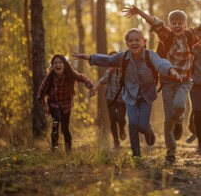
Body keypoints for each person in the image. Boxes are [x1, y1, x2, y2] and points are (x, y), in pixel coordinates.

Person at [122, 5, 201, 165]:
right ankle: (171, 153)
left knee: (178, 106)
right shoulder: (166, 36)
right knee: (167, 120)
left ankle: (179, 120)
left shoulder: (191, 36)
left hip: (184, 82)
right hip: (168, 83)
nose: (177, 26)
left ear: (185, 25)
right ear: (170, 25)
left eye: (180, 23)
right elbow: (155, 22)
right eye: (174, 23)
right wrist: (139, 12)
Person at [72, 29, 181, 158]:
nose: (134, 43)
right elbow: (108, 60)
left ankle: (148, 131)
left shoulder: (149, 55)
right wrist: (90, 57)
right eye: (131, 40)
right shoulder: (123, 57)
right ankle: (136, 155)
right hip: (130, 95)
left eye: (137, 40)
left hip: (146, 94)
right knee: (133, 123)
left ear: (143, 42)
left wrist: (170, 69)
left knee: (143, 125)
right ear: (127, 43)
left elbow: (160, 63)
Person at [37, 54, 95, 153]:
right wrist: (44, 106)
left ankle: (68, 150)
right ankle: (54, 149)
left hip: (66, 104)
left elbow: (81, 77)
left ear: (64, 64)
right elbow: (40, 94)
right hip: (53, 103)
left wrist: (89, 85)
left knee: (65, 128)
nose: (58, 65)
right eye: (55, 63)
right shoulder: (49, 77)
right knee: (56, 122)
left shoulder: (70, 73)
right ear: (52, 66)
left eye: (60, 63)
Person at [93, 51, 127, 150]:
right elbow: (102, 82)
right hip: (111, 99)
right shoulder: (110, 72)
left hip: (122, 100)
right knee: (113, 120)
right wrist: (94, 90)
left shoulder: (127, 72)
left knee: (120, 118)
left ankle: (121, 128)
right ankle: (116, 143)